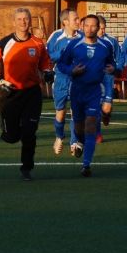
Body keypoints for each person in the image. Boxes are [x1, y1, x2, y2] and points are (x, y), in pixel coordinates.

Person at [0, 8, 53, 181]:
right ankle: (7, 130)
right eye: (19, 19)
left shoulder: (38, 43)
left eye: (26, 19)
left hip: (32, 94)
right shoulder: (4, 43)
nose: (23, 22)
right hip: (10, 94)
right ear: (14, 21)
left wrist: (47, 72)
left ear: (30, 21)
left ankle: (27, 168)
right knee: (11, 137)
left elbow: (45, 63)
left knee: (29, 132)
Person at [56, 15, 115, 177]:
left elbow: (112, 63)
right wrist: (71, 71)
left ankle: (86, 164)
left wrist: (112, 68)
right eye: (86, 25)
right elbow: (61, 64)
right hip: (76, 90)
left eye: (93, 26)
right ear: (82, 27)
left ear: (98, 28)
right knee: (78, 127)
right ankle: (79, 141)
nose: (89, 29)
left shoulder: (105, 46)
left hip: (95, 91)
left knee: (90, 126)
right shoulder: (74, 45)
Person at [47, 9, 80, 155]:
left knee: (76, 113)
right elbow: (49, 56)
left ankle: (74, 143)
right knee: (60, 112)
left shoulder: (82, 37)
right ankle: (59, 137)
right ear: (65, 22)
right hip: (61, 79)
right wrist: (62, 53)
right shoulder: (56, 37)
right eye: (76, 19)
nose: (79, 22)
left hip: (77, 80)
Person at [96, 16, 123, 142]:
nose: (102, 31)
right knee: (95, 106)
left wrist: (116, 68)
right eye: (99, 28)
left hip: (108, 78)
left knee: (106, 108)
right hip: (94, 78)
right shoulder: (87, 40)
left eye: (103, 28)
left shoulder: (111, 41)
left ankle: (106, 115)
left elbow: (120, 58)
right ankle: (97, 134)